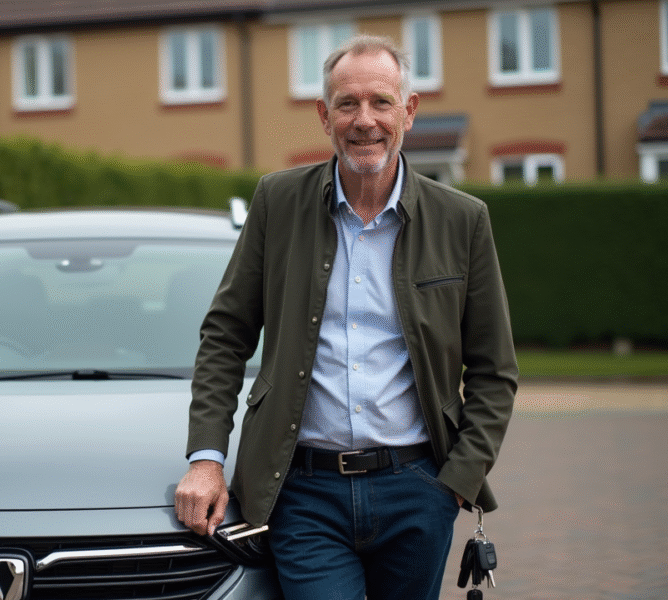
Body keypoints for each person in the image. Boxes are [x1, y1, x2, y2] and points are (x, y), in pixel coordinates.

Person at [174, 34, 517, 600]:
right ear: (323, 115)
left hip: (417, 491)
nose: (365, 121)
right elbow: (225, 335)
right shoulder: (277, 202)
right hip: (304, 495)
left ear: (408, 111)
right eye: (347, 104)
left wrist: (455, 483)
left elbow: (494, 369)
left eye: (381, 102)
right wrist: (207, 458)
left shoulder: (463, 221)